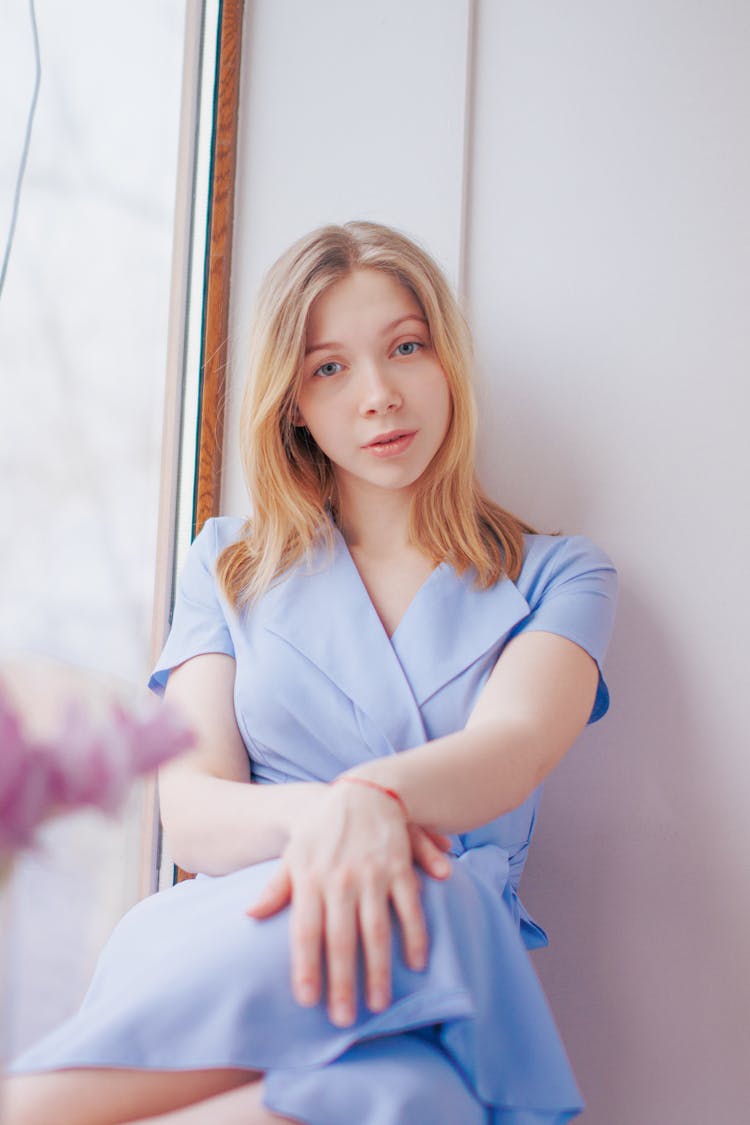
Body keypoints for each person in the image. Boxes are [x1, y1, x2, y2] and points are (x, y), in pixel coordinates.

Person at [6, 221, 617, 1124]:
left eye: (406, 347)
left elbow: (516, 746)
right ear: (291, 400)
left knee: (410, 1097)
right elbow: (199, 816)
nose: (379, 395)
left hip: (436, 949)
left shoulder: (560, 573)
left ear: (446, 361)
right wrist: (342, 816)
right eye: (330, 367)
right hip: (249, 926)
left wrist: (374, 799)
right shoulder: (227, 565)